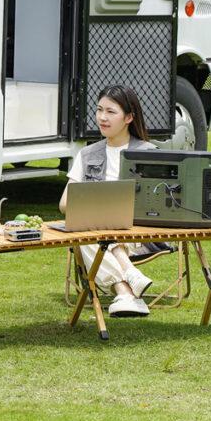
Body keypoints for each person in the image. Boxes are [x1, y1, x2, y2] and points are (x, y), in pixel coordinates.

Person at [59, 85, 157, 317]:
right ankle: (127, 287)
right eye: (99, 110)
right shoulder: (88, 154)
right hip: (97, 232)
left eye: (111, 112)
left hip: (136, 232)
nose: (102, 117)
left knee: (88, 235)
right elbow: (65, 203)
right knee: (88, 234)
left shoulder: (148, 152)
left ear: (129, 117)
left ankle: (124, 287)